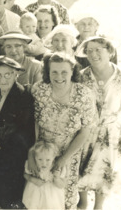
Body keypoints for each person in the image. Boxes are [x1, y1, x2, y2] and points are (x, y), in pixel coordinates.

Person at [31, 52, 96, 209]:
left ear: (72, 71)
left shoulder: (84, 94)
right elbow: (34, 122)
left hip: (70, 151)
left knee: (66, 194)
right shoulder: (39, 89)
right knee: (43, 193)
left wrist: (64, 158)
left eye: (64, 72)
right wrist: (34, 151)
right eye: (54, 72)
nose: (59, 76)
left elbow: (85, 131)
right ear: (48, 72)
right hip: (43, 151)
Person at [77, 37, 121, 210]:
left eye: (98, 49)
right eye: (89, 50)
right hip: (85, 130)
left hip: (111, 131)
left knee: (106, 171)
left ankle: (98, 206)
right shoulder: (81, 76)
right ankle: (82, 202)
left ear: (110, 52)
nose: (93, 54)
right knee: (82, 167)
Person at [0, 56, 35, 208]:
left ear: (16, 75)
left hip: (11, 149)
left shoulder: (24, 96)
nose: (2, 79)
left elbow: (25, 132)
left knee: (9, 191)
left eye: (8, 75)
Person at [22, 140, 67, 210]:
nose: (44, 163)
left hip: (52, 197)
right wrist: (32, 179)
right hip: (35, 193)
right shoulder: (33, 165)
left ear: (54, 157)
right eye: (40, 159)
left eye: (48, 160)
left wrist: (57, 178)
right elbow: (25, 175)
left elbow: (62, 185)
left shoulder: (57, 167)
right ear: (34, 157)